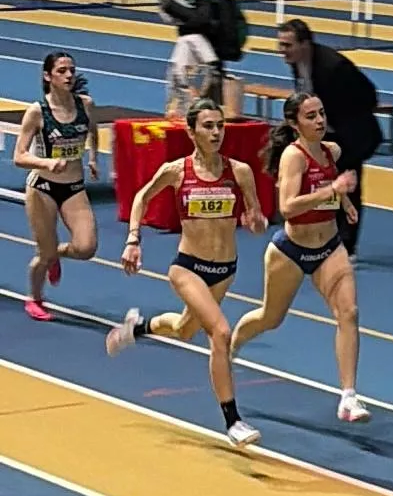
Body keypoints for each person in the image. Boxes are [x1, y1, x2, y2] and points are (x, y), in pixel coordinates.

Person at [105, 98, 265, 448]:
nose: (216, 132)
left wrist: (256, 221)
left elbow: (256, 216)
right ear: (191, 131)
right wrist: (133, 240)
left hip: (225, 269)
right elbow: (141, 199)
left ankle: (138, 328)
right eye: (208, 126)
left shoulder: (239, 171)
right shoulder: (176, 171)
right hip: (187, 268)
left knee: (184, 328)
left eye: (220, 125)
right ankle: (233, 420)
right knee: (220, 333)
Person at [230, 92, 370, 424]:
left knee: (348, 312)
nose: (320, 120)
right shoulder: (294, 157)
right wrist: (332, 192)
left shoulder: (330, 151)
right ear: (295, 123)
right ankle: (230, 347)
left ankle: (348, 397)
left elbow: (329, 187)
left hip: (329, 248)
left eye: (321, 113)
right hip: (291, 251)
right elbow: (287, 207)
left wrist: (345, 204)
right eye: (311, 116)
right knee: (270, 318)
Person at [277, 19, 382, 261]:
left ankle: (347, 247)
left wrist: (342, 118)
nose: (282, 50)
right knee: (323, 182)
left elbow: (369, 95)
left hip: (353, 134)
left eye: (287, 45)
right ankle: (325, 236)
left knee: (348, 186)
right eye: (280, 45)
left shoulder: (334, 67)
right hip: (327, 131)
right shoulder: (297, 62)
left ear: (305, 44)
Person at [13, 51, 99, 322]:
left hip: (73, 187)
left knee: (86, 248)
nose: (69, 75)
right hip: (42, 187)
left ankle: (55, 254)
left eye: (71, 70)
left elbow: (93, 131)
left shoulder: (85, 104)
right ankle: (35, 298)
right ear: (47, 76)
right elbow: (19, 156)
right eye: (62, 71)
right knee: (44, 252)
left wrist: (94, 158)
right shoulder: (38, 111)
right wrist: (46, 163)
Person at [159, 0, 247, 112]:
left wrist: (172, 6)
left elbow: (200, 21)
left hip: (205, 64)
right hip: (205, 61)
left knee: (205, 111)